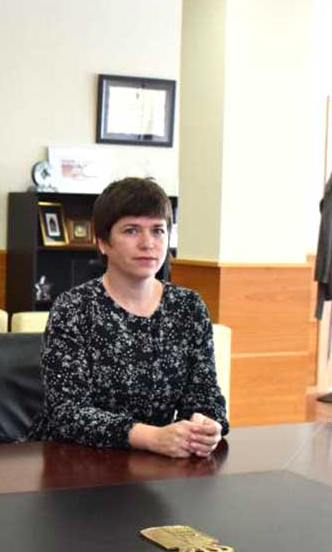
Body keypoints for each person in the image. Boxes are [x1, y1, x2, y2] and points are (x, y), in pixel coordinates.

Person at [29, 177, 227, 457]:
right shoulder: (74, 308)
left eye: (158, 231)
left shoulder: (188, 307)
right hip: (73, 463)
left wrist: (206, 425)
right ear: (102, 242)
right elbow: (67, 413)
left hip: (159, 462)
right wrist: (150, 437)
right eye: (132, 230)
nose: (148, 243)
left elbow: (205, 395)